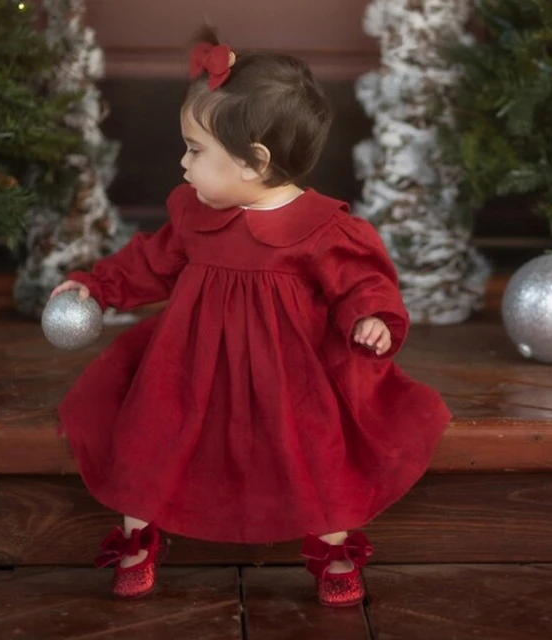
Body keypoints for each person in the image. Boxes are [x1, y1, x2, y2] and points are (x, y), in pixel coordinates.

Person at [51, 26, 451, 607]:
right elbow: (153, 260)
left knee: (318, 456)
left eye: (195, 150)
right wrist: (99, 286)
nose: (182, 164)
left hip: (288, 373)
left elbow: (363, 281)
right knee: (146, 438)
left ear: (252, 162)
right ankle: (137, 540)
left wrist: (373, 317)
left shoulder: (321, 228)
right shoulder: (194, 212)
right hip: (187, 361)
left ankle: (333, 551)